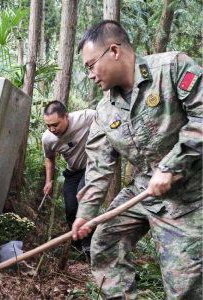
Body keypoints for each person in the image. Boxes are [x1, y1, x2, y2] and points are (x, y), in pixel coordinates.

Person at [71, 20, 202, 299]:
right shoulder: (105, 112)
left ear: (114, 51)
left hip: (189, 197)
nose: (91, 75)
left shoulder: (172, 68)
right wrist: (85, 214)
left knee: (184, 287)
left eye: (91, 65)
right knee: (105, 241)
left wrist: (171, 166)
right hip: (143, 192)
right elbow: (98, 170)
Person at [42, 100, 95, 251]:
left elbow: (108, 119)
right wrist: (48, 181)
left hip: (91, 167)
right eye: (48, 125)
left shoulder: (86, 117)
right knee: (71, 207)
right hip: (72, 171)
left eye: (55, 124)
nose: (52, 129)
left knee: (82, 197)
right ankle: (76, 243)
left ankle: (89, 244)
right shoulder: (48, 138)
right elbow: (49, 158)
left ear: (66, 117)